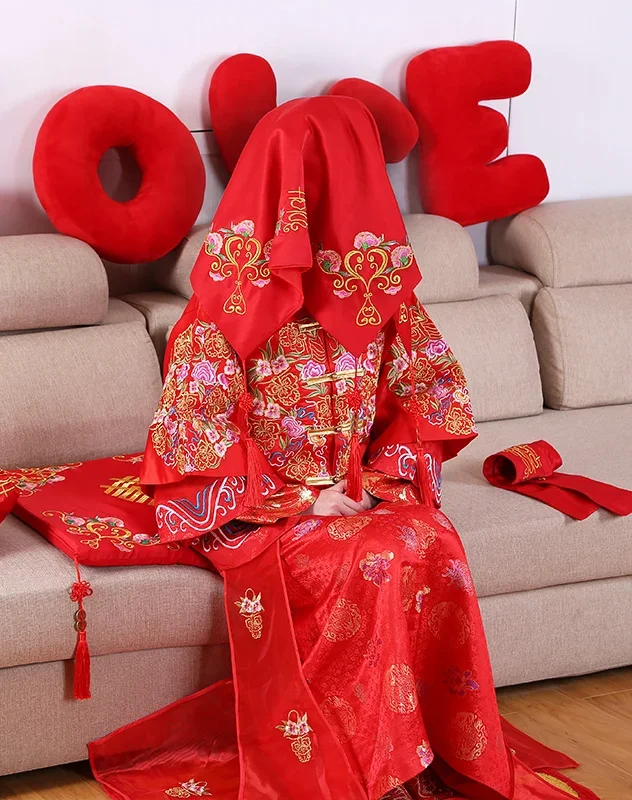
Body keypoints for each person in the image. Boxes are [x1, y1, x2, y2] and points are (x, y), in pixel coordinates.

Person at [89, 97, 596, 800]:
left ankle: (422, 749)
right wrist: (303, 497)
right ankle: (366, 767)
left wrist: (382, 482)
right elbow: (192, 439)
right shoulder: (225, 303)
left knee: (435, 537)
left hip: (358, 496)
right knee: (379, 556)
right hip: (262, 513)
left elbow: (429, 400)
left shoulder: (384, 301)